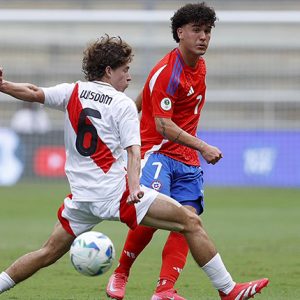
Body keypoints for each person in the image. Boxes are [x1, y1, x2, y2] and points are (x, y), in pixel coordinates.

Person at [0, 35, 268, 300]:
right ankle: (228, 290)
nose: (129, 77)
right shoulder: (122, 104)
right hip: (116, 195)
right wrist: (134, 187)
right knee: (191, 222)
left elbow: (33, 92)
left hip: (82, 199)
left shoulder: (72, 91)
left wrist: (3, 85)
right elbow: (133, 151)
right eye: (125, 70)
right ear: (108, 71)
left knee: (46, 252)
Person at [106, 3, 267, 300]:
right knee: (153, 215)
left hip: (187, 159)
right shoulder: (168, 71)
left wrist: (131, 111)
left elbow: (144, 96)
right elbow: (164, 126)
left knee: (187, 223)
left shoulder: (199, 66)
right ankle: (121, 272)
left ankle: (165, 289)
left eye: (207, 31)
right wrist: (203, 146)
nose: (203, 37)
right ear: (180, 33)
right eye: (197, 30)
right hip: (158, 152)